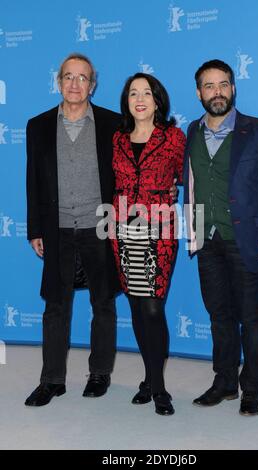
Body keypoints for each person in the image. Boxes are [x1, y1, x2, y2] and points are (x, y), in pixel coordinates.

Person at [183, 59, 258, 416]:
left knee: (252, 318)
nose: (217, 92)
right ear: (199, 93)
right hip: (207, 239)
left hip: (247, 239)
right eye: (209, 86)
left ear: (233, 89)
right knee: (218, 315)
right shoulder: (192, 132)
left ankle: (252, 388)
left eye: (223, 84)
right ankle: (225, 381)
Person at [25, 53, 121, 406]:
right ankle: (51, 380)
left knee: (103, 303)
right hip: (57, 228)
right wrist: (35, 228)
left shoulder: (113, 123)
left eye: (83, 78)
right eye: (68, 77)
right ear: (58, 81)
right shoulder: (37, 125)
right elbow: (32, 181)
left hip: (101, 227)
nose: (75, 84)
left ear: (92, 85)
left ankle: (100, 373)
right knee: (55, 306)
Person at [110, 73, 186, 415]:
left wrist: (173, 190)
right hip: (123, 230)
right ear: (127, 101)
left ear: (158, 100)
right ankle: (149, 378)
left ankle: (159, 388)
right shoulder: (117, 139)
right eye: (132, 93)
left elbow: (187, 177)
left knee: (153, 308)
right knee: (137, 308)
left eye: (146, 93)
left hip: (158, 231)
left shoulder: (174, 137)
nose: (139, 98)